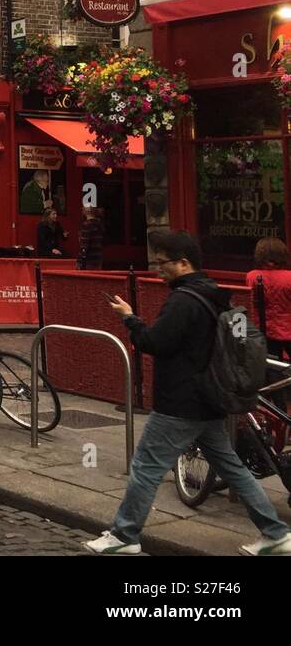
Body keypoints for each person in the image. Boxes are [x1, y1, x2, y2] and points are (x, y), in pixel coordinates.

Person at [86, 230, 291, 556]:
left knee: (146, 467)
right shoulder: (214, 294)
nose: (158, 269)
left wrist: (129, 319)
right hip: (209, 399)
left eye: (164, 263)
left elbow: (154, 342)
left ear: (183, 263)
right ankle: (276, 532)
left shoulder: (183, 301)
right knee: (233, 468)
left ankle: (124, 535)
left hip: (180, 402)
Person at [248, 236, 291, 370]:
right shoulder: (289, 277)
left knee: (273, 368)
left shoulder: (252, 276)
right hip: (288, 330)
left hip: (264, 330)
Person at [78, 206, 105, 270]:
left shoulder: (87, 225)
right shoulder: (100, 224)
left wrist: (79, 260)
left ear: (85, 211)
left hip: (89, 259)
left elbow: (84, 245)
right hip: (98, 257)